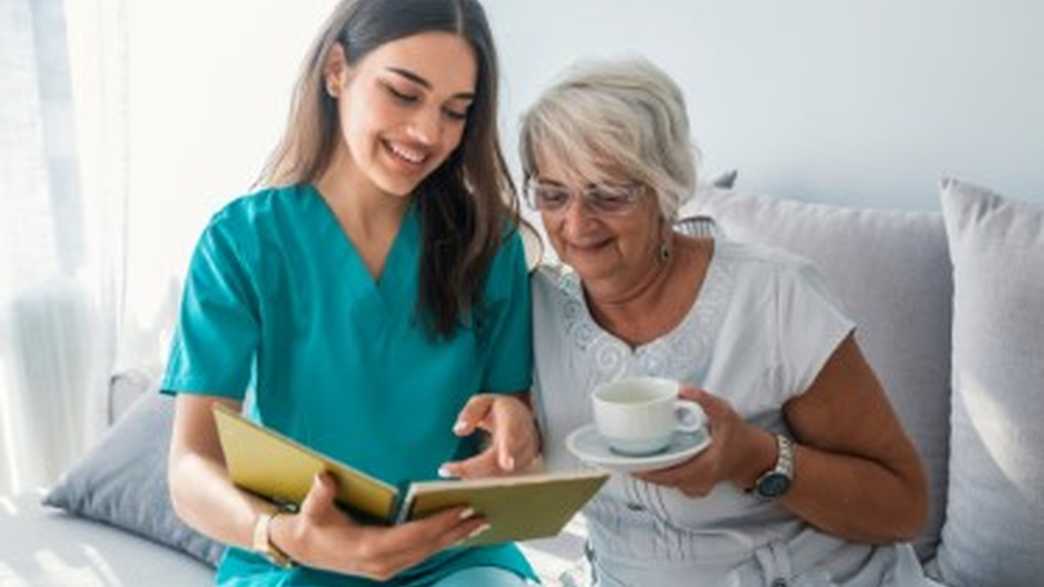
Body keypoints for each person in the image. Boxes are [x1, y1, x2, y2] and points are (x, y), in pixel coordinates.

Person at [521, 57, 942, 586]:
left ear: (664, 189)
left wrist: (753, 457)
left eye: (609, 193)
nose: (577, 223)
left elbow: (902, 506)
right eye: (553, 194)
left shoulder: (772, 295)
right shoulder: (532, 305)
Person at [163, 1, 541, 585]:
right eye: (403, 93)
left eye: (455, 111)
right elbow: (192, 466)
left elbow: (512, 416)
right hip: (300, 554)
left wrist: (515, 425)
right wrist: (281, 535)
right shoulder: (242, 243)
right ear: (337, 70)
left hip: (454, 558)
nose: (427, 134)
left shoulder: (489, 246)